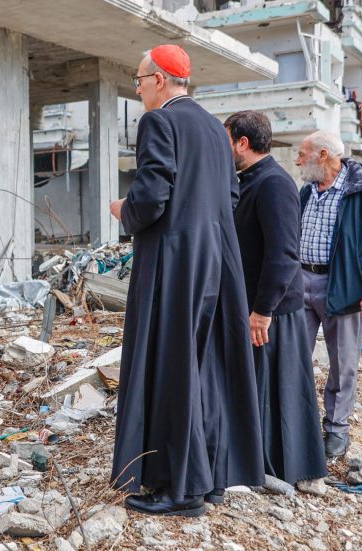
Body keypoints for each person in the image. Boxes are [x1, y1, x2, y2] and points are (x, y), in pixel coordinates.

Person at [108, 45, 264, 517]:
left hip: (176, 264)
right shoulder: (217, 130)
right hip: (218, 263)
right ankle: (210, 479)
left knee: (173, 369)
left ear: (158, 80)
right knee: (205, 367)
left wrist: (125, 212)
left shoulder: (159, 122)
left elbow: (154, 193)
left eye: (138, 82)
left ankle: (180, 490)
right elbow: (230, 193)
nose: (137, 91)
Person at [225, 111, 327, 484]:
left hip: (272, 312)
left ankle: (289, 469)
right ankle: (264, 465)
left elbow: (284, 254)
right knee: (262, 390)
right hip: (258, 307)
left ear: (242, 143)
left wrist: (262, 311)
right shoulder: (251, 180)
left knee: (280, 393)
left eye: (226, 141)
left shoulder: (273, 184)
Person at [295, 130, 362, 457]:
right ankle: (298, 424)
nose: (299, 160)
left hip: (342, 287)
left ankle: (336, 431)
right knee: (292, 357)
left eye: (303, 154)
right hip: (301, 281)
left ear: (324, 155)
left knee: (342, 364)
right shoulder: (307, 191)